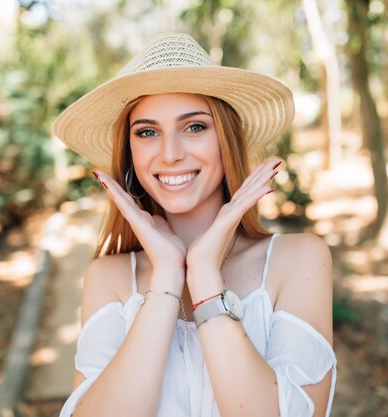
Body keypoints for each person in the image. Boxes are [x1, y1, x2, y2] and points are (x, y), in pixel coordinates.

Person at [53, 32, 336, 417]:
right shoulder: (108, 277)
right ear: (130, 153)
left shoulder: (298, 259)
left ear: (226, 139)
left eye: (195, 127)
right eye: (148, 132)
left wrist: (204, 279)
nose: (170, 154)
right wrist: (168, 278)